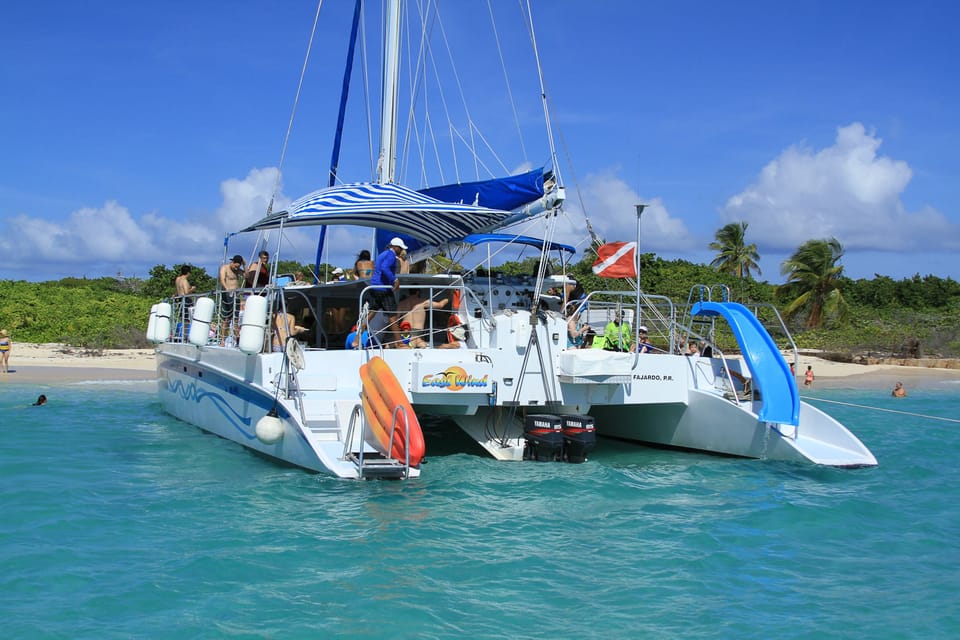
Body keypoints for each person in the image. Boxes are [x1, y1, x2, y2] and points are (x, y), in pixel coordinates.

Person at [368, 238, 407, 343]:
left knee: (372, 312)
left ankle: (357, 337)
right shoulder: (391, 255)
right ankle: (399, 343)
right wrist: (395, 280)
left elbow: (379, 269)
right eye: (400, 248)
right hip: (383, 289)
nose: (401, 250)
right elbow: (385, 268)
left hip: (374, 287)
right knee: (392, 315)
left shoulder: (382, 254)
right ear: (395, 247)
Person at [219, 255, 245, 344]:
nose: (236, 268)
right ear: (232, 262)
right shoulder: (225, 268)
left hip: (236, 295)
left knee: (236, 318)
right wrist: (227, 289)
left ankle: (237, 340)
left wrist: (244, 265)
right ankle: (222, 340)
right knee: (227, 318)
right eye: (235, 266)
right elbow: (222, 279)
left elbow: (246, 276)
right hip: (227, 294)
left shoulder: (237, 270)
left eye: (238, 266)